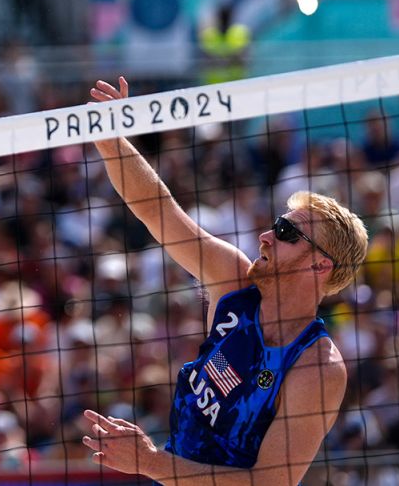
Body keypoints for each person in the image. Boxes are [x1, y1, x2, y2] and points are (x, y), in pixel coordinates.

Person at [80, 76, 369, 483]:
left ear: (320, 266)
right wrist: (111, 140)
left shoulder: (317, 367)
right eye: (275, 224)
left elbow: (268, 482)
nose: (266, 236)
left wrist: (150, 463)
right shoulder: (235, 284)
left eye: (286, 234)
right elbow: (159, 212)